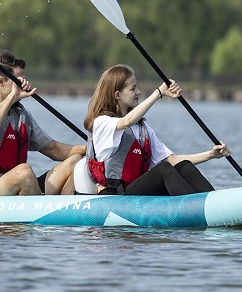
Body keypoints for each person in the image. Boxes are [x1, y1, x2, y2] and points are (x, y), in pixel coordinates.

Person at [0, 49, 85, 197]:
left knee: (75, 161)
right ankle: (39, 211)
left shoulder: (21, 115)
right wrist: (12, 97)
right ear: (1, 81)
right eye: (18, 81)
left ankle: (66, 210)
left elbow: (54, 149)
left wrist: (90, 149)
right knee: (24, 172)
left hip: (20, 185)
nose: (23, 84)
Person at [82, 64, 230, 195]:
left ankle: (213, 202)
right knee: (163, 170)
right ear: (117, 95)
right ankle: (195, 209)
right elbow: (126, 122)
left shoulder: (142, 128)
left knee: (184, 166)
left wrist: (211, 155)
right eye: (133, 88)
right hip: (115, 195)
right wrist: (159, 93)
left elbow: (172, 159)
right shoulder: (101, 122)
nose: (138, 92)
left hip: (136, 191)